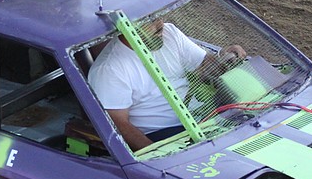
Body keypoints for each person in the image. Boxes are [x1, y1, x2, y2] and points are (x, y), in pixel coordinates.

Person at [88, 20, 246, 151]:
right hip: (165, 136)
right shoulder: (109, 69)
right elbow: (118, 126)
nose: (159, 24)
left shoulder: (169, 33)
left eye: (158, 14)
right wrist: (157, 157)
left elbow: (205, 67)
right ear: (126, 24)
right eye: (148, 20)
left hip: (203, 118)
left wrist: (224, 57)